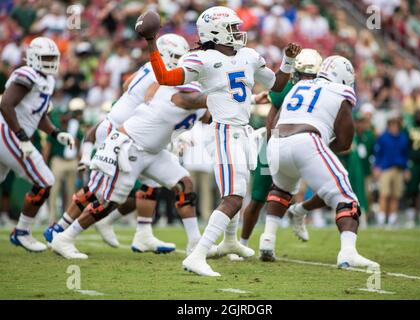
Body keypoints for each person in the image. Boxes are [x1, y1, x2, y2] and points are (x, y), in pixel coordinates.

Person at [142, 6, 301, 276]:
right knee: (234, 197)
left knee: (239, 190)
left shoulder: (249, 56)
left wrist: (288, 61)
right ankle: (198, 254)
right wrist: (150, 43)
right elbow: (166, 78)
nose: (238, 32)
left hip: (243, 132)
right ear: (215, 32)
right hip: (224, 133)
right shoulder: (203, 59)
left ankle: (230, 242)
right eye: (232, 28)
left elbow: (276, 85)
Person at [44, 34, 192, 253]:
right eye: (177, 56)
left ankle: (143, 233)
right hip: (120, 134)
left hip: (132, 135)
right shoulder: (158, 75)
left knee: (149, 185)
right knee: (101, 191)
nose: (180, 61)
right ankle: (60, 229)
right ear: (164, 54)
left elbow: (126, 84)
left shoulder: (148, 67)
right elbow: (154, 101)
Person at [50, 80, 209, 259]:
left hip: (154, 152)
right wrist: (218, 96)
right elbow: (188, 100)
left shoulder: (201, 105)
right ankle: (65, 237)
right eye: (187, 92)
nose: (188, 95)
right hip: (130, 146)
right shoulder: (175, 97)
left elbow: (210, 115)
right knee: (110, 201)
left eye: (192, 92)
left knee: (184, 184)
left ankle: (195, 243)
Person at [263, 55, 379, 268]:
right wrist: (320, 149)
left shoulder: (300, 86)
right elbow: (345, 142)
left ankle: (267, 240)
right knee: (345, 196)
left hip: (276, 144)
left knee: (281, 189)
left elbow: (276, 123)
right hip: (306, 141)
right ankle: (348, 252)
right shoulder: (341, 91)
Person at [239, 49, 323, 252]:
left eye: (311, 75)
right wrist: (272, 145)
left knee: (324, 187)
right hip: (274, 143)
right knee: (258, 198)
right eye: (304, 74)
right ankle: (242, 244)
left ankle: (299, 212)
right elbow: (272, 116)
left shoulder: (322, 90)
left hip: (303, 145)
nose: (307, 79)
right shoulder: (285, 87)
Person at [0, 37, 74, 251]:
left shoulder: (48, 80)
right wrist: (22, 137)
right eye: (46, 58)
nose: (50, 62)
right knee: (45, 180)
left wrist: (55, 133)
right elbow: (6, 104)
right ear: (33, 58)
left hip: (13, 133)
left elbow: (38, 114)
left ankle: (21, 231)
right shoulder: (28, 74)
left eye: (53, 58)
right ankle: (22, 232)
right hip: (9, 133)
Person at [373, 112, 409, 227]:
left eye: (396, 124)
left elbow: (406, 155)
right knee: (384, 194)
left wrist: (406, 169)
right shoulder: (383, 137)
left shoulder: (403, 138)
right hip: (385, 169)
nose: (394, 126)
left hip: (398, 169)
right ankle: (381, 219)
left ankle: (392, 220)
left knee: (395, 195)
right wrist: (377, 167)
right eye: (392, 124)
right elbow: (378, 153)